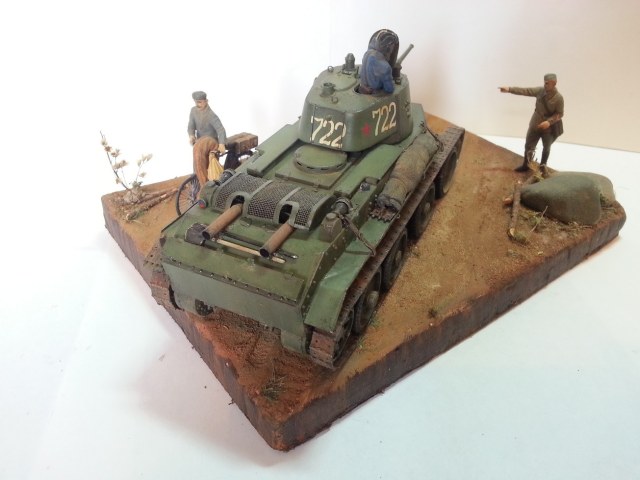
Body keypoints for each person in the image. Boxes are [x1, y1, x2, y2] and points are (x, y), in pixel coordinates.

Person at [499, 74, 564, 171]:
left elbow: (560, 113)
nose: (545, 85)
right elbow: (526, 91)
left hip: (548, 128)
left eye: (547, 83)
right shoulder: (540, 91)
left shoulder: (559, 98)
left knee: (546, 147)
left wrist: (549, 122)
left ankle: (543, 166)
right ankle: (526, 164)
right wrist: (509, 89)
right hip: (535, 123)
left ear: (554, 83)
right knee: (529, 145)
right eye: (544, 83)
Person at [188, 91, 227, 189]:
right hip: (200, 143)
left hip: (211, 143)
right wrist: (191, 135)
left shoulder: (210, 115)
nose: (198, 104)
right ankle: (199, 183)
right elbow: (191, 125)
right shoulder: (193, 111)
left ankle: (210, 186)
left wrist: (221, 144)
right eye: (196, 102)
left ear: (206, 101)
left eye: (200, 102)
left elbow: (221, 130)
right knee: (197, 163)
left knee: (211, 167)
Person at [359, 29, 399, 94]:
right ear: (388, 47)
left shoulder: (367, 54)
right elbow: (389, 89)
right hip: (375, 94)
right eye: (393, 46)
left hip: (362, 89)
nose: (393, 49)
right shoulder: (386, 67)